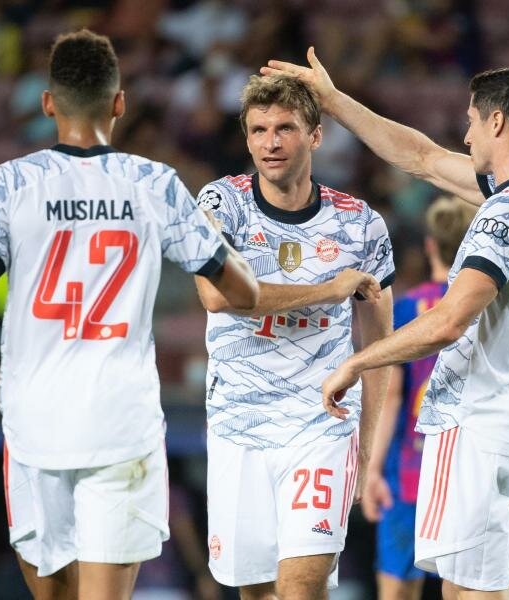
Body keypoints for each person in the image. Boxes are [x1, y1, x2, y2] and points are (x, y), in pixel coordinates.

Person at [0, 29, 258, 600]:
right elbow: (242, 292)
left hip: (34, 424)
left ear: (48, 104)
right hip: (122, 424)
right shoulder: (155, 184)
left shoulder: (10, 182)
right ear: (119, 103)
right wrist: (209, 232)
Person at [264, 50, 509, 599]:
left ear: (497, 122)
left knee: (468, 594)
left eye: (472, 121)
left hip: (478, 425)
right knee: (477, 588)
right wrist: (334, 102)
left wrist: (357, 361)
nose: (465, 136)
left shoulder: (505, 218)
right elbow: (422, 158)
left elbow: (448, 323)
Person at [193, 74, 395, 600]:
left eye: (285, 128)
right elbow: (216, 295)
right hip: (238, 425)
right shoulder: (221, 203)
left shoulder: (361, 226)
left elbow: (379, 348)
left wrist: (367, 444)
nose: (271, 142)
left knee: (302, 586)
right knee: (257, 591)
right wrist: (326, 291)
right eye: (258, 130)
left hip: (320, 425)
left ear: (316, 135)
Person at [362, 197, 474, 600]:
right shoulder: (483, 306)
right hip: (466, 468)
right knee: (468, 585)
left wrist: (370, 470)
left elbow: (391, 399)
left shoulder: (408, 309)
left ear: (430, 245)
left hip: (410, 470)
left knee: (397, 591)